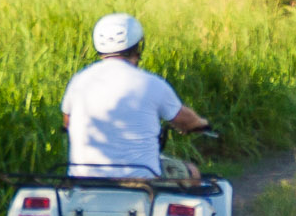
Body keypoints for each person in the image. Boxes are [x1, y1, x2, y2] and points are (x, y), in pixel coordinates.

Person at [61, 11, 210, 178]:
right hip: (140, 181)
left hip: (83, 179)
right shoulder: (151, 83)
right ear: (138, 47)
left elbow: (67, 122)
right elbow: (186, 120)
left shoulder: (79, 81)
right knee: (192, 172)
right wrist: (201, 123)